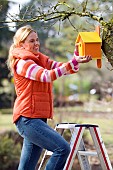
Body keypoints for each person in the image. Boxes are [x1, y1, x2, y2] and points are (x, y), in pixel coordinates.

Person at [7, 25, 92, 170]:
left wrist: (77, 57)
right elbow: (47, 76)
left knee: (26, 167)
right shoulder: (22, 63)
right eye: (32, 41)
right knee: (62, 149)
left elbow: (66, 69)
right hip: (27, 118)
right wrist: (72, 63)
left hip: (37, 118)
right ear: (21, 44)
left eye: (37, 40)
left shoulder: (41, 60)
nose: (37, 43)